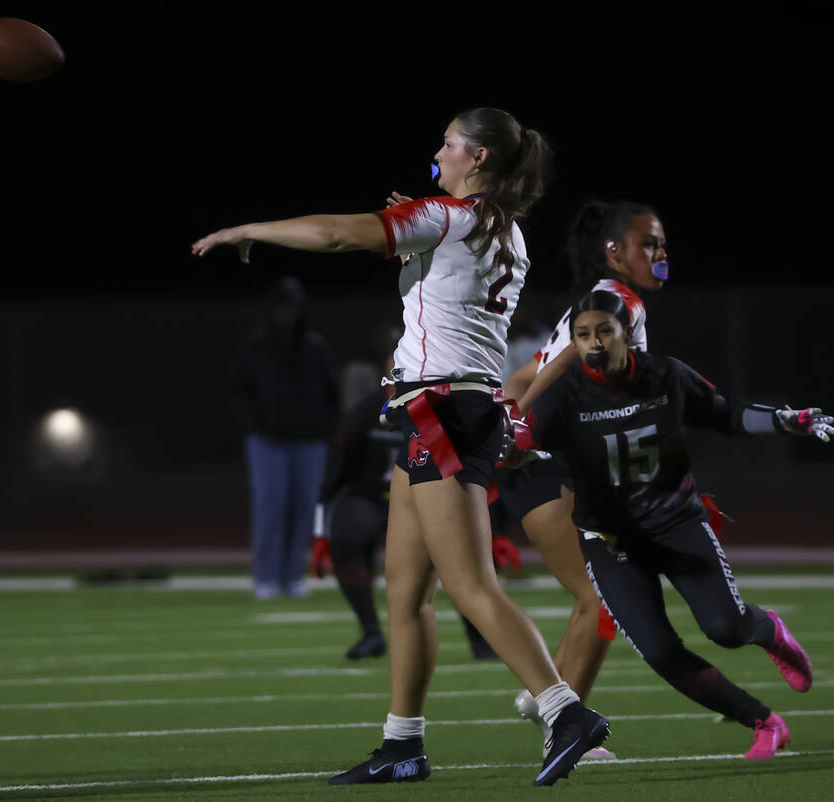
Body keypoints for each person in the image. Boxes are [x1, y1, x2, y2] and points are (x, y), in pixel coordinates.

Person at [193, 107, 608, 787]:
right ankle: (401, 745)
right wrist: (422, 220)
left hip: (442, 408)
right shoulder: (503, 230)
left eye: (449, 143)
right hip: (442, 407)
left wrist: (249, 230)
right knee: (406, 593)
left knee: (470, 584)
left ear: (478, 158)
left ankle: (566, 711)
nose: (436, 151)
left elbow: (333, 236)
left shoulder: (446, 218)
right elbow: (445, 264)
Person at [526, 288, 834, 759]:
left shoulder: (664, 374)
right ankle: (764, 723)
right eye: (583, 334)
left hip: (675, 524)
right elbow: (519, 445)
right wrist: (494, 442)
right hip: (611, 544)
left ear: (627, 333)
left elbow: (726, 413)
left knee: (724, 628)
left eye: (604, 332)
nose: (594, 344)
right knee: (661, 653)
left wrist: (783, 422)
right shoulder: (563, 395)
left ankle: (769, 630)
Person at [498, 200, 667, 756]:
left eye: (661, 243)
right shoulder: (616, 304)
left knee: (599, 595)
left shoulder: (598, 297)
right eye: (649, 244)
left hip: (558, 463)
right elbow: (563, 360)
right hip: (550, 464)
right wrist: (523, 423)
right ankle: (562, 725)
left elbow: (531, 368)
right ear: (615, 251)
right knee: (602, 597)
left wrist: (508, 406)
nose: (661, 254)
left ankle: (552, 696)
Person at [311, 324, 520, 661]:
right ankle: (370, 633)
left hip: (432, 497)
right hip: (375, 500)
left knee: (461, 564)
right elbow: (334, 474)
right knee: (350, 532)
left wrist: (495, 531)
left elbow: (475, 477)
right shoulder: (363, 414)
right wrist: (321, 533)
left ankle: (482, 640)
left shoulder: (445, 409)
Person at [228, 276, 340, 600]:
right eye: (281, 308)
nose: (286, 315)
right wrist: (255, 424)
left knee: (303, 509)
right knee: (270, 508)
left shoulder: (316, 347)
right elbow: (239, 390)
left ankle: (292, 576)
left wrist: (324, 428)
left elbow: (332, 393)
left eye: (291, 308)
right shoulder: (256, 347)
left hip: (309, 443)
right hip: (267, 442)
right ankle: (265, 576)